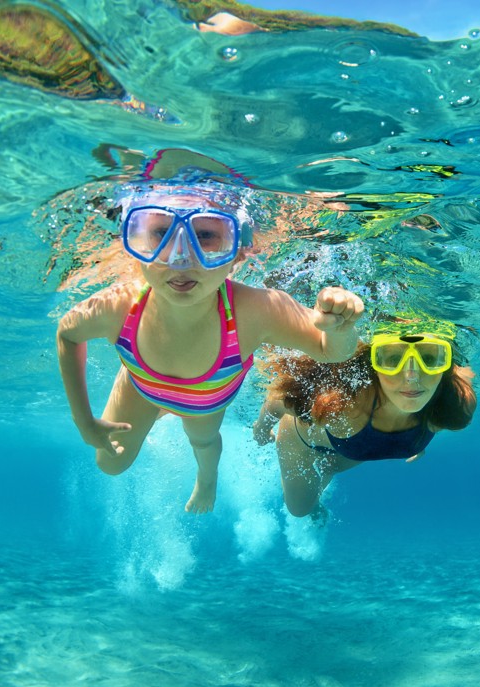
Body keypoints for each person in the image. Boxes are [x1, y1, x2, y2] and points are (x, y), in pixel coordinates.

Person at [56, 181, 364, 514]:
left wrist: (340, 329)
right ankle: (148, 391)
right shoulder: (118, 308)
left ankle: (207, 480)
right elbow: (67, 334)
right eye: (161, 233)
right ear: (136, 243)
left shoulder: (253, 311)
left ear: (239, 252)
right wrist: (83, 421)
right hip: (141, 386)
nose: (181, 258)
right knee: (109, 463)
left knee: (202, 442)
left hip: (204, 401)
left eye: (205, 236)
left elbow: (331, 351)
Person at [253, 323, 476, 518]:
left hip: (354, 449)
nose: (412, 377)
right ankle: (317, 503)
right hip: (305, 444)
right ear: (375, 364)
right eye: (394, 359)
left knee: (329, 468)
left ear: (446, 366)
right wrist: (261, 430)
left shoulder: (456, 403)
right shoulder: (343, 405)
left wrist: (419, 438)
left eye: (429, 358)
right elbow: (277, 400)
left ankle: (327, 469)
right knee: (300, 510)